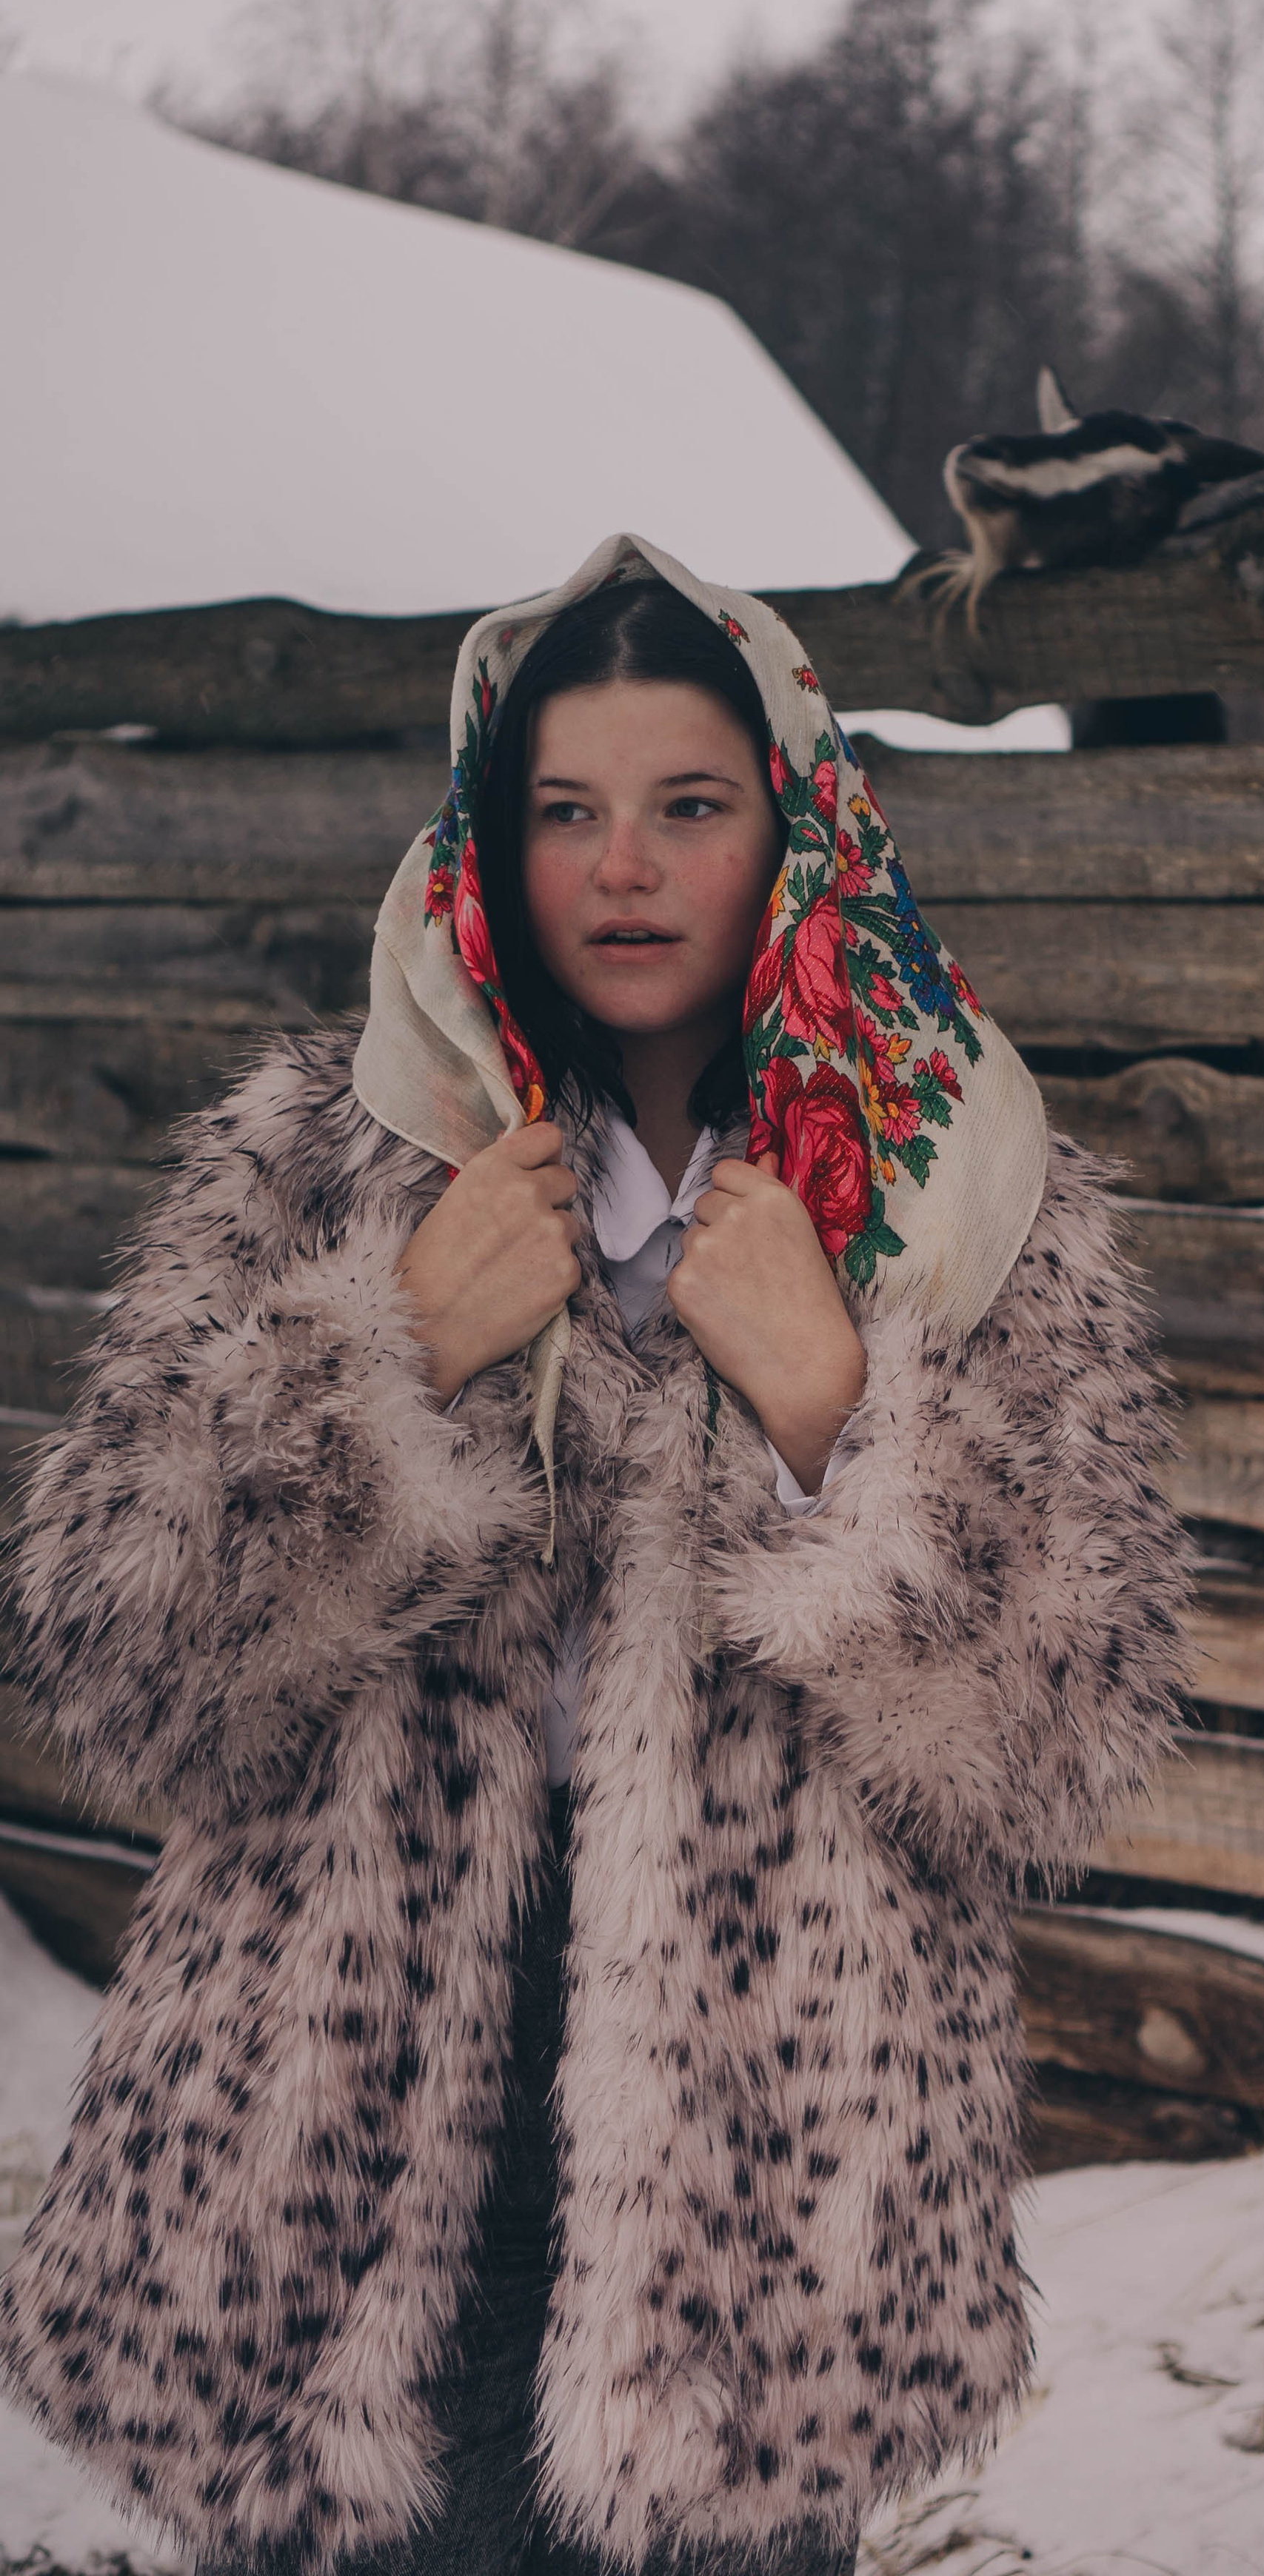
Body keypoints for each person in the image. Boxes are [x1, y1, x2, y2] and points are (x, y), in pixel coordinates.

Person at [0, 534, 1193, 2576]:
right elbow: (117, 1662)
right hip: (331, 2136)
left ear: (794, 830)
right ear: (489, 837)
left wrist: (834, 1416)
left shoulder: (955, 1192)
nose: (622, 867)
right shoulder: (331, 1148)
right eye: (563, 811)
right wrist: (385, 1360)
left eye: (688, 807)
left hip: (769, 2174)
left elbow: (1061, 1744)